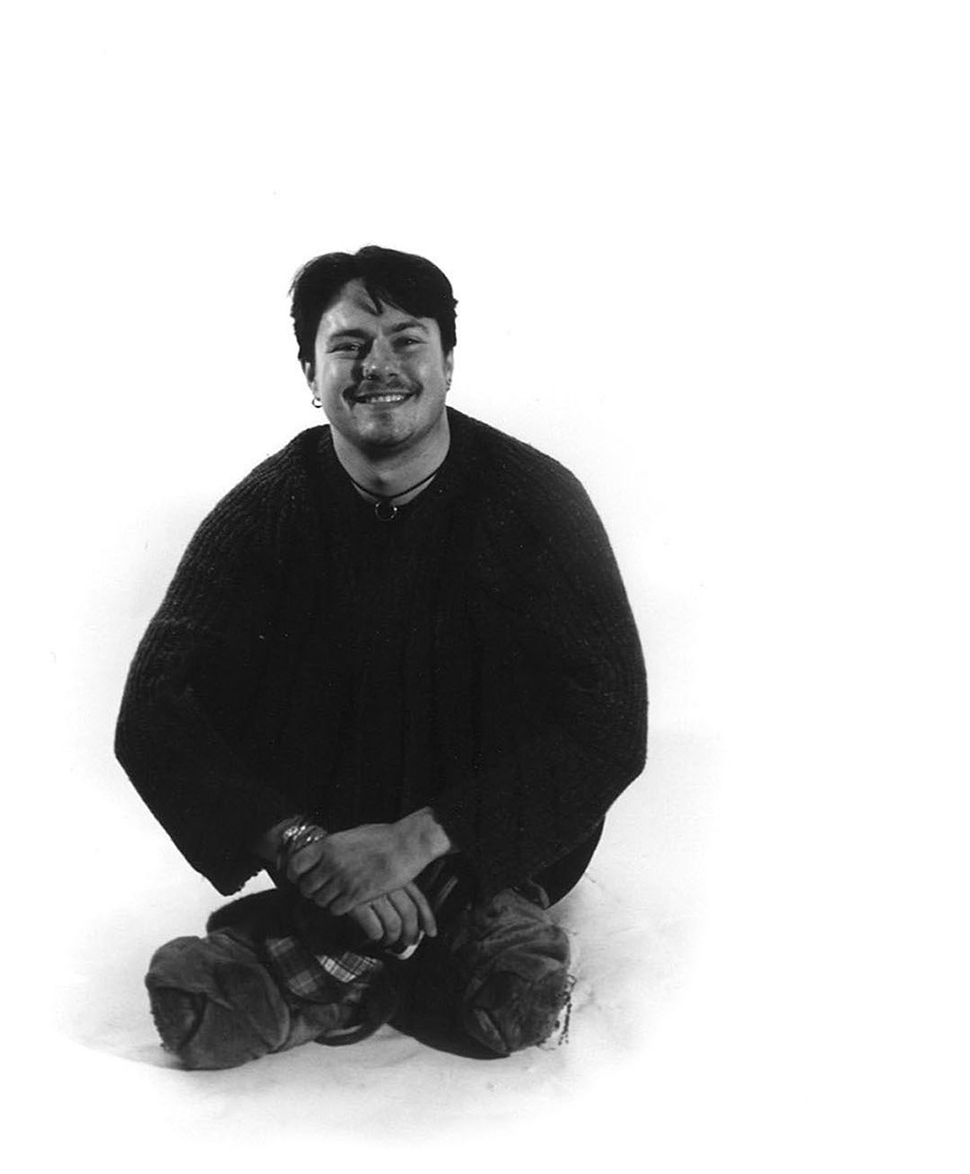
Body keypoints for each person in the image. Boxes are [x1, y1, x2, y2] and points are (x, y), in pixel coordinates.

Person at [117, 246, 648, 1069]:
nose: (379, 366)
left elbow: (611, 722)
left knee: (508, 992)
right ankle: (427, 950)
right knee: (489, 991)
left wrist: (416, 840)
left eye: (407, 340)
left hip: (494, 835)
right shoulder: (267, 510)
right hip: (328, 840)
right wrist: (300, 845)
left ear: (447, 363)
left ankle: (350, 955)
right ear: (311, 371)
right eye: (349, 344)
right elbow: (153, 709)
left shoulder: (537, 499)